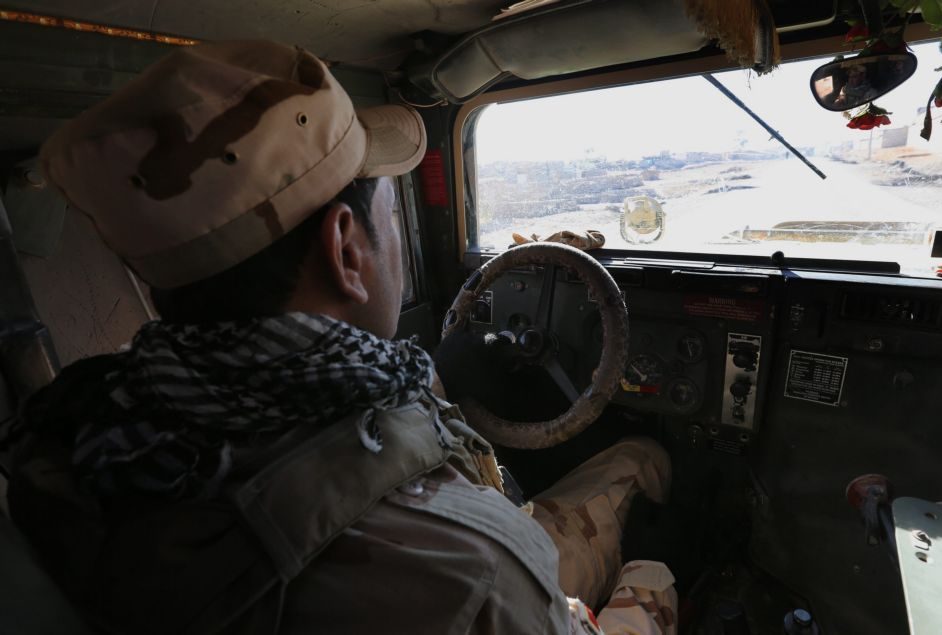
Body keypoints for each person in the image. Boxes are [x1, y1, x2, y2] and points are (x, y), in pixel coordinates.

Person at [7, 40, 677, 634]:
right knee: (647, 529)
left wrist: (443, 373)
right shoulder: (474, 572)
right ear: (345, 251)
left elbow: (304, 427)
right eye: (390, 212)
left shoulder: (93, 422)